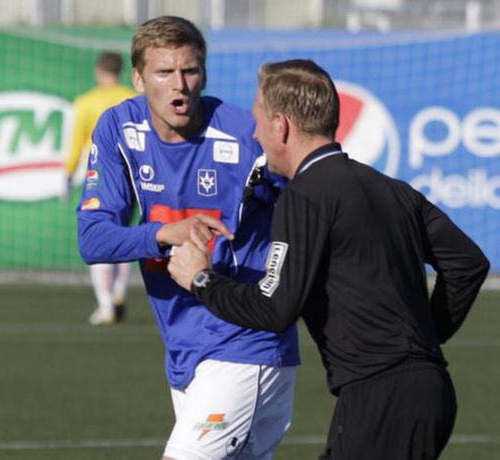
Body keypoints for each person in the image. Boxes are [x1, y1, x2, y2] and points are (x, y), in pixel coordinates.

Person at [168, 59, 490, 460]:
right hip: (428, 389)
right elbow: (467, 262)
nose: (254, 133)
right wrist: (425, 339)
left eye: (259, 122)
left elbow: (275, 308)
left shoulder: (304, 196)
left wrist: (201, 280)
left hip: (380, 396)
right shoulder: (392, 188)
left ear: (281, 126)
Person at [77, 16, 299, 460]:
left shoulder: (245, 135)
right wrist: (164, 234)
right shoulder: (119, 128)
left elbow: (316, 196)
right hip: (184, 348)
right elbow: (93, 239)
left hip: (246, 343)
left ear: (204, 74)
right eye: (164, 72)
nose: (180, 85)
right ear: (138, 79)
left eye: (190, 70)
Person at [63, 52, 137, 325]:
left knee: (99, 235)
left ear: (99, 71)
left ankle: (105, 305)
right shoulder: (133, 99)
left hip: (100, 177)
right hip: (131, 174)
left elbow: (77, 142)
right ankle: (118, 293)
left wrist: (67, 173)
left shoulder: (86, 102)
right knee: (124, 233)